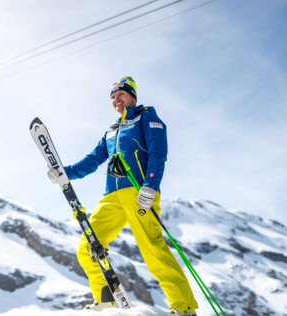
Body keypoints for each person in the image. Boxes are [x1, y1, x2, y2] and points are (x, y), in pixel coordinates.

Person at [47, 76, 198, 315]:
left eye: (121, 95)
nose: (117, 100)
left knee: (152, 248)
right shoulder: (111, 130)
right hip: (112, 196)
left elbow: (158, 154)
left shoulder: (147, 117)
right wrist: (65, 173)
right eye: (113, 97)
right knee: (88, 245)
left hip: (139, 192)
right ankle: (107, 300)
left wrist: (150, 185)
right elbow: (93, 160)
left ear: (132, 96)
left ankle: (184, 307)